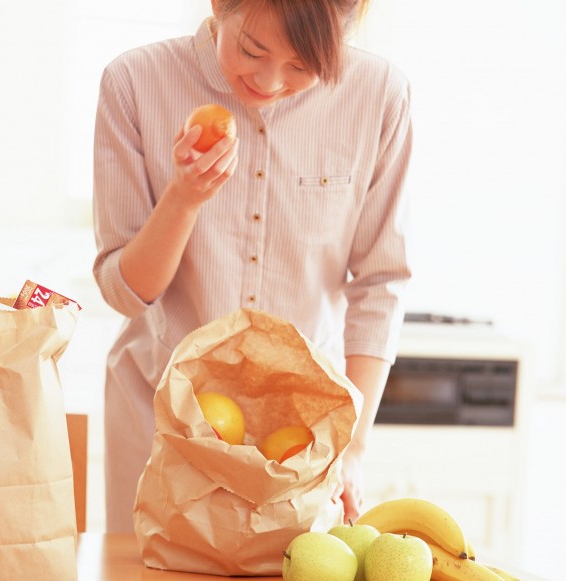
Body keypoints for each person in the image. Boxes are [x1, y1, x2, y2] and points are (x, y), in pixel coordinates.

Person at [92, 0, 412, 533]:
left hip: (304, 435)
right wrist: (185, 197)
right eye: (251, 49)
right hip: (161, 413)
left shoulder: (378, 95)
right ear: (221, 5)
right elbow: (125, 293)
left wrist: (352, 449)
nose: (267, 80)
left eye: (301, 65)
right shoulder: (135, 82)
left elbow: (381, 283)